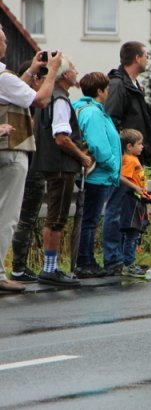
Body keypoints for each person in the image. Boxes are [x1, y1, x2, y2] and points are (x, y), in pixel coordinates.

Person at [1, 26, 63, 292]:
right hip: (11, 149)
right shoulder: (3, 76)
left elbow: (15, 92)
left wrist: (31, 71)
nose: (6, 44)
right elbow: (40, 99)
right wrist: (53, 71)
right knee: (7, 216)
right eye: (4, 40)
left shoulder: (7, 80)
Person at [31, 53, 92, 287]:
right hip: (61, 165)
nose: (77, 72)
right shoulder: (60, 100)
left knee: (54, 216)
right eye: (74, 68)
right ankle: (50, 268)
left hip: (50, 163)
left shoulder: (49, 96)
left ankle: (51, 266)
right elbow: (61, 137)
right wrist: (82, 156)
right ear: (65, 75)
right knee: (56, 218)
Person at [102, 41, 151, 275]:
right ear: (137, 58)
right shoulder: (118, 84)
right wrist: (123, 151)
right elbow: (112, 119)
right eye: (146, 55)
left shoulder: (133, 84)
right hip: (123, 161)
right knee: (116, 211)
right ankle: (114, 259)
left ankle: (125, 259)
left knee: (129, 213)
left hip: (134, 158)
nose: (147, 59)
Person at [72, 72, 122, 278]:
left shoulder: (83, 109)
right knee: (90, 221)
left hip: (93, 175)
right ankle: (85, 262)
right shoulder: (93, 113)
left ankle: (85, 260)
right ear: (100, 91)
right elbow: (98, 145)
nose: (108, 92)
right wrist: (112, 164)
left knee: (88, 219)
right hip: (97, 175)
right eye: (106, 88)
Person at [9, 61, 50, 284]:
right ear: (36, 80)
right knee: (23, 218)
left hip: (29, 163)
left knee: (22, 218)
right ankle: (18, 267)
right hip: (28, 164)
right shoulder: (27, 103)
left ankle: (19, 266)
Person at [119, 128, 151, 277]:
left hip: (138, 200)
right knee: (132, 233)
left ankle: (129, 262)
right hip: (131, 200)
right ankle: (128, 264)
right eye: (139, 144)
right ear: (129, 146)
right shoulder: (129, 160)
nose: (142, 147)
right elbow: (122, 177)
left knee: (135, 233)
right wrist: (136, 188)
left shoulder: (134, 159)